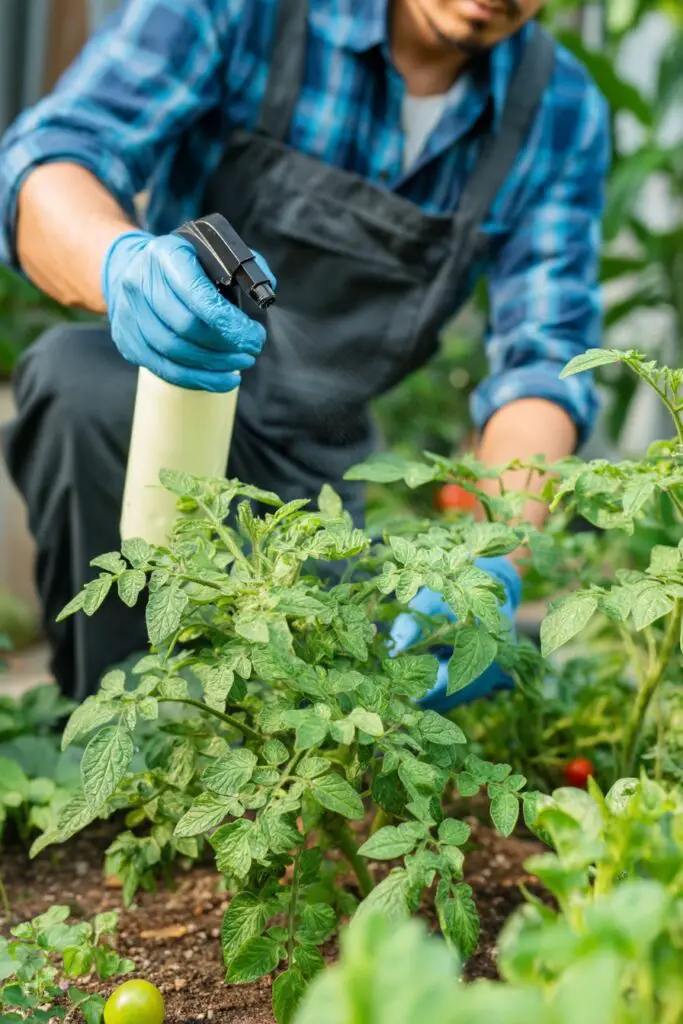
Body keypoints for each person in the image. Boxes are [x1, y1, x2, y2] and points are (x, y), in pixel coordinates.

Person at [0, 0, 609, 705]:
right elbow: (52, 152)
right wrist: (121, 264)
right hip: (162, 416)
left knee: (368, 683)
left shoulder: (555, 108)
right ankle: (114, 740)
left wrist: (488, 562)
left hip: (313, 480)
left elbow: (542, 359)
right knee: (78, 382)